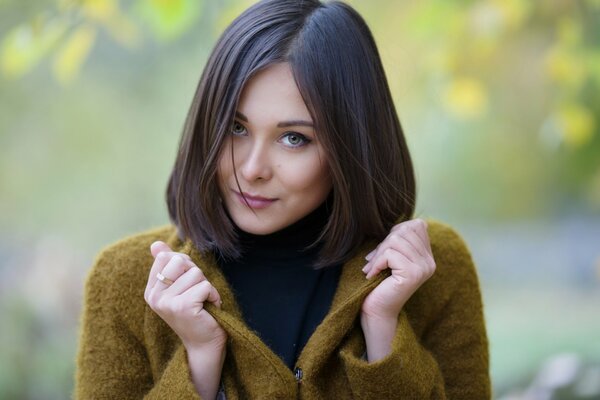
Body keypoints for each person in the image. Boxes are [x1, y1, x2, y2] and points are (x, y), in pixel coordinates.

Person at [75, 0, 490, 398]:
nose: (252, 168)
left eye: (294, 138)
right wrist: (200, 368)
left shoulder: (432, 271)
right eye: (236, 128)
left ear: (352, 147)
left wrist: (382, 333)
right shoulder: (124, 280)